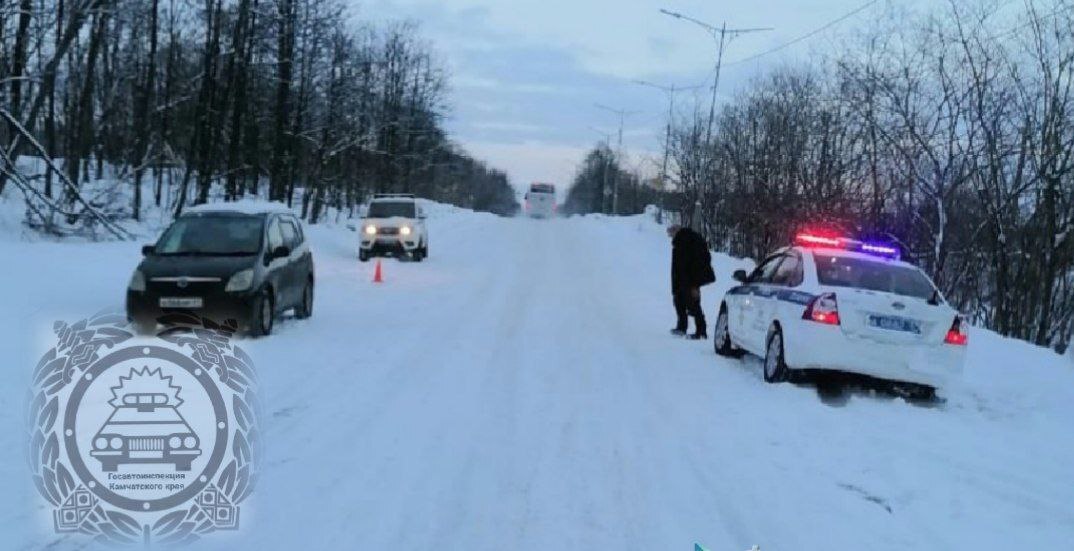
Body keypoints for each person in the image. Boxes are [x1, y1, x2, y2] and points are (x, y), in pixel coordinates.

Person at [668, 224, 716, 339]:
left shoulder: (684, 241)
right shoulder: (684, 240)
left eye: (671, 233)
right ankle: (682, 327)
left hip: (688, 279)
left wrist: (694, 283)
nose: (670, 236)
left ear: (676, 231)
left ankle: (701, 331)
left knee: (692, 304)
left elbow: (688, 264)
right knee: (680, 301)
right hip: (683, 278)